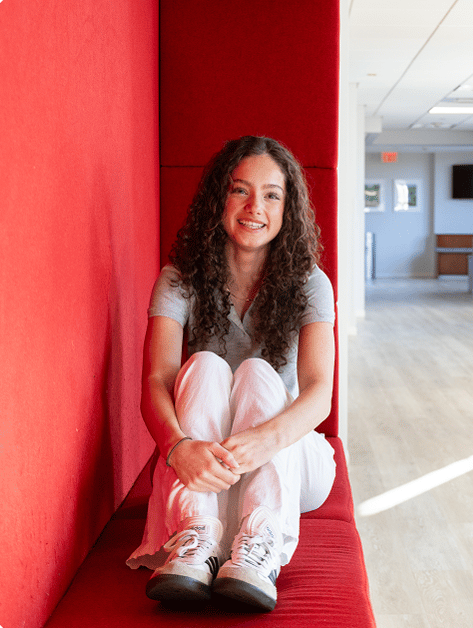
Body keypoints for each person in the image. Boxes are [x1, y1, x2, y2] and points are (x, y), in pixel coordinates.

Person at [126, 136, 337, 612]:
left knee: (260, 373)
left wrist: (267, 438)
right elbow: (156, 382)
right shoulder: (180, 277)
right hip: (209, 461)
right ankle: (197, 538)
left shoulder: (310, 283)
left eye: (271, 194)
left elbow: (320, 392)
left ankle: (259, 550)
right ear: (218, 198)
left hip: (287, 458)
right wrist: (178, 448)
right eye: (240, 190)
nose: (254, 207)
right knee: (202, 365)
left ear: (288, 208)